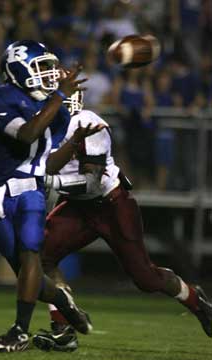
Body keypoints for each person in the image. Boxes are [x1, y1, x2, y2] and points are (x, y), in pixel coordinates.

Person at [32, 90, 212, 352]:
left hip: (111, 204)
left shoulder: (88, 123)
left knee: (146, 278)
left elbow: (92, 181)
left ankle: (197, 301)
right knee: (40, 256)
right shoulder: (39, 128)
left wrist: (52, 182)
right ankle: (63, 329)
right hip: (77, 206)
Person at [0, 40, 104, 353]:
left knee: (32, 255)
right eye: (42, 66)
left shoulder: (52, 109)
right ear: (19, 67)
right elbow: (27, 133)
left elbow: (46, 161)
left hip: (31, 188)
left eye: (50, 66)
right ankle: (61, 299)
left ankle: (19, 331)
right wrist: (58, 98)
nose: (50, 73)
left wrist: (73, 141)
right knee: (25, 274)